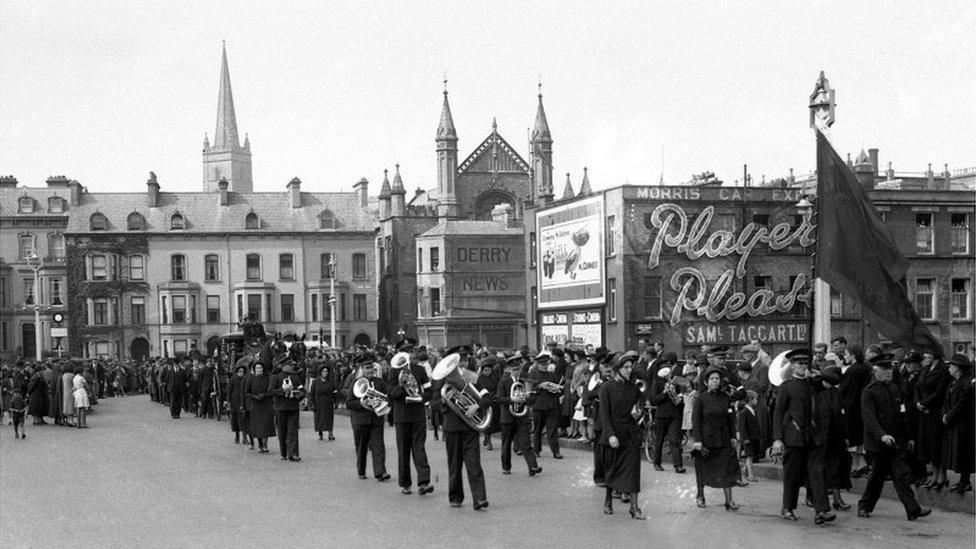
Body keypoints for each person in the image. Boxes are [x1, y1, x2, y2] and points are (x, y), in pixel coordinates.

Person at [858, 353, 931, 521]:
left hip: (895, 443)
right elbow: (869, 418)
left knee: (902, 476)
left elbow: (902, 415)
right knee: (876, 479)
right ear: (875, 371)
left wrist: (909, 437)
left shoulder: (895, 389)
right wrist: (882, 435)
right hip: (878, 445)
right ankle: (864, 506)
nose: (889, 372)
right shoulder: (869, 392)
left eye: (890, 368)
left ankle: (913, 510)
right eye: (884, 369)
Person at [772, 349, 835, 524]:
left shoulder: (813, 383)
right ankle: (788, 507)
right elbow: (778, 413)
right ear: (792, 366)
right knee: (792, 475)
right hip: (794, 437)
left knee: (817, 474)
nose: (802, 367)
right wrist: (777, 438)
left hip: (813, 437)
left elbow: (835, 380)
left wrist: (819, 375)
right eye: (799, 364)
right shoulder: (786, 387)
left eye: (805, 363)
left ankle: (822, 511)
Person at [432, 353, 492, 510]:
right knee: (454, 464)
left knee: (474, 464)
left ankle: (479, 499)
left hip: (470, 428)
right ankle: (455, 497)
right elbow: (433, 403)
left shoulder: (471, 376)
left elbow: (487, 397)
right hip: (452, 427)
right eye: (461, 361)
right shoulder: (442, 380)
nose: (463, 364)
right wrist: (445, 401)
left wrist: (476, 406)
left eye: (465, 360)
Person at [597, 351, 645, 519]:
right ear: (617, 368)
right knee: (612, 470)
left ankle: (634, 507)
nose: (629, 370)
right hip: (613, 435)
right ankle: (608, 499)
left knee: (633, 471)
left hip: (630, 434)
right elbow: (604, 415)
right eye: (625, 367)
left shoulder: (633, 388)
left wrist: (638, 411)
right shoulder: (606, 388)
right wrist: (610, 435)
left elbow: (641, 404)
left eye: (630, 367)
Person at [387, 342, 434, 495]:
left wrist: (421, 398)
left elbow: (429, 390)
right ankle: (405, 483)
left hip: (417, 414)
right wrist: (401, 386)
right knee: (403, 450)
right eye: (404, 352)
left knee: (419, 448)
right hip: (402, 416)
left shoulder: (420, 370)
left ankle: (424, 482)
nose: (407, 355)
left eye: (409, 352)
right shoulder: (394, 372)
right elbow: (392, 394)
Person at [692, 367, 740, 511]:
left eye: (717, 379)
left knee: (726, 470)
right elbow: (696, 420)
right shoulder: (700, 398)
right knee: (702, 470)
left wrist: (733, 436)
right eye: (712, 379)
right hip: (706, 442)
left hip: (723, 440)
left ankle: (729, 500)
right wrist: (698, 440)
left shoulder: (726, 397)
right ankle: (700, 496)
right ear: (707, 381)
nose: (715, 381)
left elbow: (731, 418)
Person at [345, 355, 390, 481]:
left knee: (378, 445)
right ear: (362, 370)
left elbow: (387, 397)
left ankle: (380, 472)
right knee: (361, 446)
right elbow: (349, 403)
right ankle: (361, 470)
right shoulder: (356, 383)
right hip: (360, 420)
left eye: (371, 368)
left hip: (376, 419)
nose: (370, 370)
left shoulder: (380, 382)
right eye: (367, 368)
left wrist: (385, 404)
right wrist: (361, 404)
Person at [496, 356, 541, 476]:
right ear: (509, 369)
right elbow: (499, 398)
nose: (517, 372)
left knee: (526, 443)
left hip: (522, 417)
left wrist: (525, 399)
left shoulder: (524, 380)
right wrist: (512, 399)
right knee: (506, 444)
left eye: (518, 369)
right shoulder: (504, 381)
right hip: (508, 417)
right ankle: (506, 467)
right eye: (514, 370)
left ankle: (533, 467)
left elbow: (534, 398)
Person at [915, 352, 951, 490]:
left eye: (929, 352)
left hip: (935, 411)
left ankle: (942, 476)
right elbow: (918, 387)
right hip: (924, 413)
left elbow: (940, 391)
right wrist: (918, 402)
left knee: (938, 444)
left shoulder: (943, 369)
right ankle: (935, 475)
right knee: (929, 444)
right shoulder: (925, 368)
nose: (925, 355)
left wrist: (925, 403)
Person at [818, 366, 851, 510]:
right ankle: (815, 498)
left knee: (835, 469)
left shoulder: (837, 393)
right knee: (820, 469)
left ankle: (837, 499)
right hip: (820, 439)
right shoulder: (818, 394)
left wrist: (845, 437)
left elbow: (842, 416)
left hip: (835, 438)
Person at [648, 351, 685, 473]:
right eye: (664, 368)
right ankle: (657, 463)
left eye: (668, 368)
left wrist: (679, 397)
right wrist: (664, 393)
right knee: (659, 440)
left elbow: (681, 394)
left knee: (674, 439)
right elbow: (654, 400)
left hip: (674, 414)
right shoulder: (657, 383)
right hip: (661, 415)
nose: (667, 371)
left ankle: (678, 465)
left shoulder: (675, 381)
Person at [941, 354, 974, 493]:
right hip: (955, 423)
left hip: (964, 424)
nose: (949, 368)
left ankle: (965, 481)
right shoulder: (953, 382)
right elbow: (946, 401)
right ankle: (962, 481)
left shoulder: (967, 383)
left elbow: (962, 404)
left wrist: (949, 417)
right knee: (959, 452)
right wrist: (944, 413)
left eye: (952, 366)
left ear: (958, 368)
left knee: (964, 452)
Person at [269, 359, 305, 462]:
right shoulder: (276, 377)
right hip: (281, 408)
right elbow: (271, 391)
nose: (292, 367)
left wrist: (298, 395)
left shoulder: (295, 377)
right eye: (290, 365)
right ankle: (284, 453)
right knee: (282, 431)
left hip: (293, 407)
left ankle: (293, 453)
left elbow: (302, 390)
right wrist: (283, 391)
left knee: (293, 431)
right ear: (284, 366)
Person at [529, 352, 563, 459]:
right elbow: (529, 390)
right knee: (538, 429)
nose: (545, 366)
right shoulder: (533, 374)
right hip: (538, 406)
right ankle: (536, 450)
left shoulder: (551, 375)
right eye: (543, 364)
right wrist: (540, 386)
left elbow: (557, 389)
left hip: (551, 406)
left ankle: (555, 451)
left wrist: (556, 389)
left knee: (552, 430)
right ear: (538, 364)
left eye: (546, 364)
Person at [245, 362, 275, 454]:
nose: (259, 369)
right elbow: (247, 392)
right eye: (257, 368)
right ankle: (260, 444)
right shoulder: (250, 379)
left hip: (266, 404)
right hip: (255, 405)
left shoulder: (268, 378)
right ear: (254, 369)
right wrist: (254, 396)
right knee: (258, 426)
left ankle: (265, 445)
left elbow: (271, 391)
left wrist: (264, 395)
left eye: (260, 368)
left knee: (266, 425)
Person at [736, 390, 761, 482]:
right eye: (755, 399)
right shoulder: (744, 412)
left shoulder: (752, 411)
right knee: (749, 457)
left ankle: (744, 471)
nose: (756, 401)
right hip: (748, 438)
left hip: (753, 437)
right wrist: (745, 438)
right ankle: (750, 475)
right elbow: (742, 427)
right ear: (750, 400)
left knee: (751, 456)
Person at [309, 364, 337, 441]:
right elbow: (311, 394)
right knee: (319, 418)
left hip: (328, 402)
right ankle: (320, 433)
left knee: (329, 418)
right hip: (318, 403)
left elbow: (334, 392)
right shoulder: (315, 382)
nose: (325, 373)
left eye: (326, 371)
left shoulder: (331, 381)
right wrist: (312, 403)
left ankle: (330, 433)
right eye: (323, 371)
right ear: (320, 372)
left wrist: (336, 402)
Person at [225, 364, 249, 444]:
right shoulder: (233, 379)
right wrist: (228, 401)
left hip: (243, 402)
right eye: (239, 371)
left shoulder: (246, 379)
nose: (241, 373)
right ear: (237, 372)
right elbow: (228, 391)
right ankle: (237, 436)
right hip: (234, 402)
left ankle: (245, 438)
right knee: (235, 420)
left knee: (243, 421)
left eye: (242, 371)